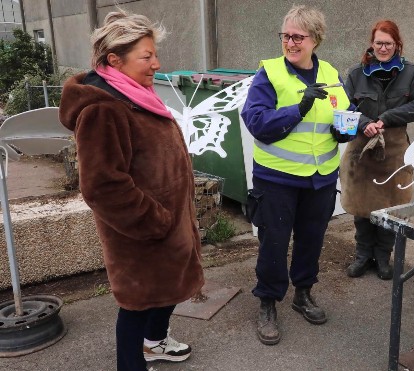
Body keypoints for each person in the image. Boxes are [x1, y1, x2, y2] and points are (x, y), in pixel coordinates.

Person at [59, 10, 204, 371]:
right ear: (114, 60)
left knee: (167, 290)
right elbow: (103, 185)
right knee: (138, 304)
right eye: (147, 56)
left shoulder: (135, 93)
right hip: (140, 234)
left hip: (168, 227)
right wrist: (156, 222)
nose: (157, 63)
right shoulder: (104, 108)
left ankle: (155, 344)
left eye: (154, 54)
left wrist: (174, 219)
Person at [240, 5, 354, 345]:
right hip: (277, 178)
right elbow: (257, 123)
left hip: (320, 177)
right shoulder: (270, 74)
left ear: (315, 40)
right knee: (273, 242)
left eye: (297, 37)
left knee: (311, 239)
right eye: (285, 36)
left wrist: (346, 130)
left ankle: (303, 294)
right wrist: (299, 108)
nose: (290, 43)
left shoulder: (331, 73)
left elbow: (341, 114)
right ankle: (267, 303)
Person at [341, 20, 414, 280]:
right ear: (372, 43)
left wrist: (389, 116)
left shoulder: (410, 73)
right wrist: (364, 122)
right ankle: (362, 256)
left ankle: (382, 258)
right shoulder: (356, 74)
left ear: (397, 45)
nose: (383, 48)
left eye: (388, 43)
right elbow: (344, 107)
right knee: (361, 206)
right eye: (379, 43)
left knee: (391, 206)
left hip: (394, 151)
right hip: (362, 150)